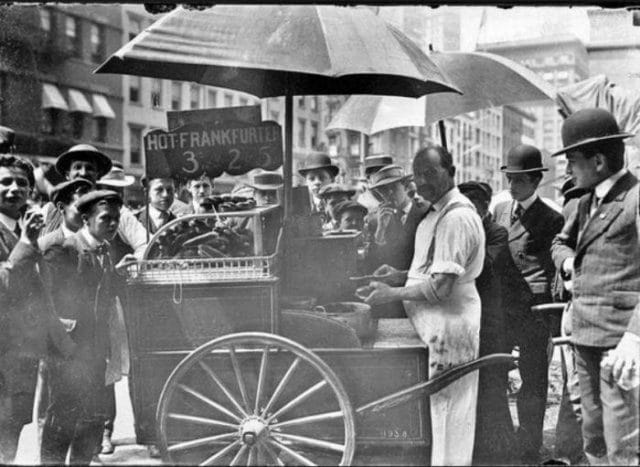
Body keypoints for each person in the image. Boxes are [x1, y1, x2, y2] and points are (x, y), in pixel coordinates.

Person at [363, 145, 485, 465]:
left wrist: (392, 295)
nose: (423, 181)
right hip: (435, 325)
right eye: (418, 174)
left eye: (431, 172)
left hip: (450, 324)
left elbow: (442, 287)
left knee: (452, 411)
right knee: (441, 408)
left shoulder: (456, 217)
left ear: (451, 172)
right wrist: (400, 275)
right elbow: (432, 270)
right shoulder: (436, 212)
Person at [551, 108, 640, 465]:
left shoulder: (633, 200)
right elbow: (559, 242)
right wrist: (570, 261)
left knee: (623, 445)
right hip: (584, 337)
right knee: (594, 438)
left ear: (599, 161)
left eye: (572, 160)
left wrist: (634, 338)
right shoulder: (585, 201)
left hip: (619, 345)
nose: (569, 170)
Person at [40, 190, 125, 465]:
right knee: (61, 419)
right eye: (106, 218)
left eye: (117, 218)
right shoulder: (63, 251)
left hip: (95, 352)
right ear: (86, 219)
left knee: (91, 420)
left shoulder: (105, 251)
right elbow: (46, 305)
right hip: (68, 352)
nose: (113, 224)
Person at [0, 154, 75, 463]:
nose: (14, 189)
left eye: (22, 183)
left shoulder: (27, 228)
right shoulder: (27, 236)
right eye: (5, 181)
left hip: (21, 351)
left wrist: (58, 332)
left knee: (13, 425)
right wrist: (26, 246)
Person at [493, 144, 564, 463]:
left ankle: (530, 443)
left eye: (520, 180)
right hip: (504, 307)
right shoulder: (500, 212)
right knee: (494, 371)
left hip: (534, 311)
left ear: (536, 181)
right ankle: (501, 436)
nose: (512, 185)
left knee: (533, 380)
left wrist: (550, 314)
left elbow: (552, 266)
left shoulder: (552, 218)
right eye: (510, 178)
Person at [459, 181, 518, 465]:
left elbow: (483, 267)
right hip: (464, 318)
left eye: (474, 206)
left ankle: (500, 453)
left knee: (492, 385)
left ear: (485, 207)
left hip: (489, 321)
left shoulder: (496, 232)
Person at [42, 146, 147, 259]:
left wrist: (128, 267)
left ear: (98, 175)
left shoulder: (114, 209)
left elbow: (145, 244)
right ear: (68, 174)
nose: (83, 173)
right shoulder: (50, 210)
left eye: (89, 168)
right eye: (77, 167)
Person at [366, 164, 430, 272]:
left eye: (393, 188)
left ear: (405, 187)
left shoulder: (426, 212)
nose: (390, 193)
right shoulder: (379, 220)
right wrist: (381, 230)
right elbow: (372, 264)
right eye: (384, 191)